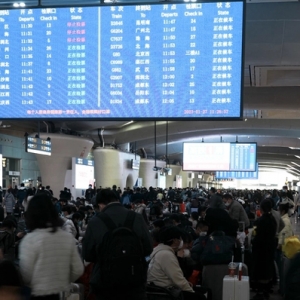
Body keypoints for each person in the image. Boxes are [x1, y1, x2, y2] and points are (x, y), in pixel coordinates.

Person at [82, 188, 152, 300]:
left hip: (105, 281)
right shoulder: (136, 217)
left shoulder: (95, 222)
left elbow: (87, 254)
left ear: (100, 205)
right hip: (135, 278)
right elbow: (148, 248)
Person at [19, 194, 84, 299]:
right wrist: (62, 279)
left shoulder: (30, 240)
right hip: (60, 293)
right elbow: (78, 269)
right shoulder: (67, 237)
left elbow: (26, 275)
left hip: (37, 294)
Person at [147, 226, 207, 300]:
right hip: (165, 291)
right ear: (175, 240)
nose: (181, 241)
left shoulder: (159, 250)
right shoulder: (166, 255)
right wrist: (191, 291)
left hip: (158, 289)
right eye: (180, 239)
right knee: (200, 297)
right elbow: (178, 279)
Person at [251, 199, 277, 300]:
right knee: (268, 268)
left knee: (260, 270)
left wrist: (253, 241)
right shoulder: (272, 219)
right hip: (270, 248)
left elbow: (257, 236)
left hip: (261, 249)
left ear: (261, 209)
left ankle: (260, 292)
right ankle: (266, 290)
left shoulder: (260, 221)